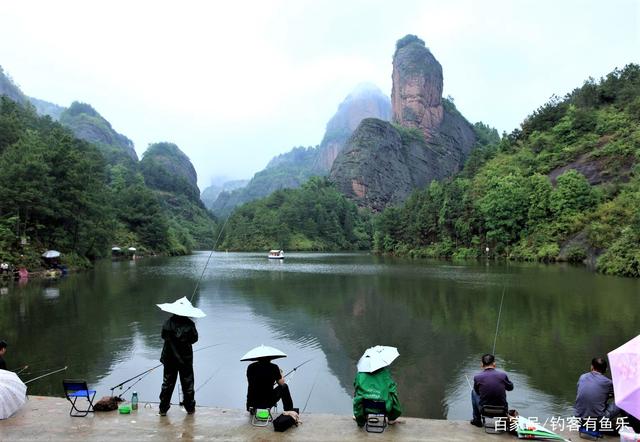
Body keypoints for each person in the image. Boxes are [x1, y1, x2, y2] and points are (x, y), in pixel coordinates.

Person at [159, 314, 198, 416]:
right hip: (185, 359)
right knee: (187, 383)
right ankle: (189, 408)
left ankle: (163, 408)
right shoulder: (189, 324)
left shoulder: (168, 323)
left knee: (167, 382)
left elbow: (163, 336)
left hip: (169, 358)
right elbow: (194, 339)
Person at [574, 357, 621, 428]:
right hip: (597, 421)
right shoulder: (608, 382)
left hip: (579, 418)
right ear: (605, 370)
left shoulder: (582, 377)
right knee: (621, 400)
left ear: (592, 367)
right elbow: (618, 394)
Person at [470, 353, 514, 427]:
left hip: (484, 411)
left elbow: (477, 392)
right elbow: (510, 388)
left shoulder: (477, 377)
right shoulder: (503, 375)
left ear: (481, 365)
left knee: (473, 392)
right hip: (502, 411)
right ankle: (502, 421)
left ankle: (477, 420)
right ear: (494, 364)